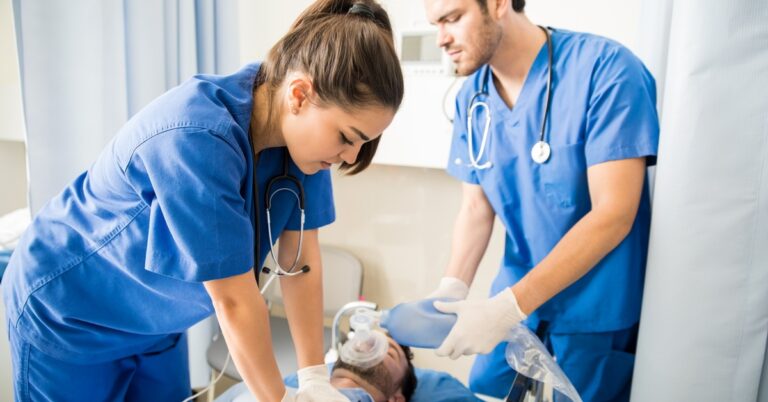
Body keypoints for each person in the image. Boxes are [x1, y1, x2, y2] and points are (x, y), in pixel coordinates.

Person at [1, 1, 403, 401]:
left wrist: (314, 375)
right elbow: (233, 298)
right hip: (70, 316)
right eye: (347, 137)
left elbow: (301, 261)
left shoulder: (304, 148)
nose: (350, 156)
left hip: (155, 324)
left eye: (362, 143)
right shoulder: (196, 136)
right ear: (299, 95)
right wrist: (280, 398)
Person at [421, 0, 659, 400]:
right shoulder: (471, 100)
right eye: (435, 24)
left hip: (595, 309)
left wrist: (509, 307)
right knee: (483, 391)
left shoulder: (606, 70)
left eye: (453, 18)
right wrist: (452, 289)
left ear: (497, 4)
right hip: (516, 301)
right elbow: (476, 209)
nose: (441, 39)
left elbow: (614, 213)